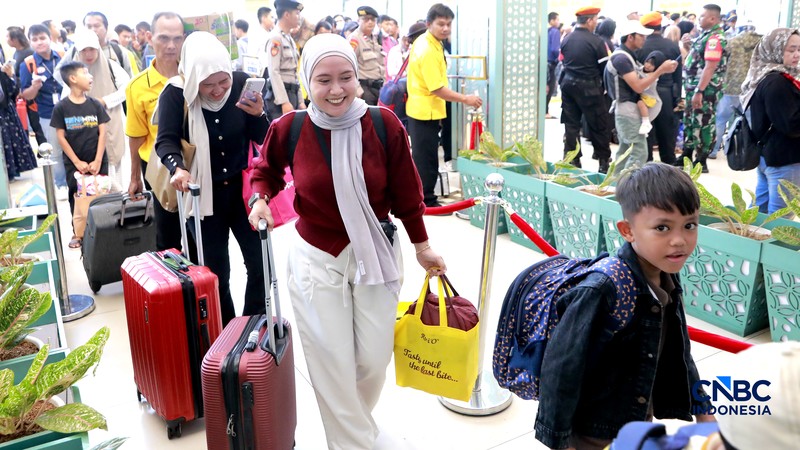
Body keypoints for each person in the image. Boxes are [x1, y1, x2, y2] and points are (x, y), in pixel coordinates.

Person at [248, 32, 446, 450]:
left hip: (374, 249)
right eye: (323, 80)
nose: (336, 90)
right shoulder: (290, 127)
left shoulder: (382, 123)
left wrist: (421, 243)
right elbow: (264, 170)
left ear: (358, 78)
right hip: (314, 257)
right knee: (330, 361)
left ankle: (356, 427)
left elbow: (408, 191)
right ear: (307, 81)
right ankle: (354, 443)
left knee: (373, 359)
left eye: (345, 78)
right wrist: (260, 199)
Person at [534, 162, 713, 450]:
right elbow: (561, 369)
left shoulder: (665, 275)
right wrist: (559, 442)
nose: (679, 240)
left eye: (690, 225)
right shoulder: (603, 288)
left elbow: (678, 350)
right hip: (595, 430)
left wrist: (704, 411)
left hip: (636, 416)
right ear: (627, 230)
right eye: (662, 228)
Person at [154, 31, 268, 326]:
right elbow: (165, 141)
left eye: (223, 82)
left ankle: (254, 324)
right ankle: (227, 330)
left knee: (261, 264)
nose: (218, 91)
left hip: (242, 195)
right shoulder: (176, 93)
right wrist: (177, 168)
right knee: (216, 272)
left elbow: (264, 138)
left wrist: (258, 115)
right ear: (193, 77)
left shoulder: (242, 83)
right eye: (207, 85)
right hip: (202, 197)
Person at [126, 12, 193, 254]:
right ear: (149, 37)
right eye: (164, 38)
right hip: (159, 168)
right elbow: (136, 135)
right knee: (168, 236)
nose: (171, 45)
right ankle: (173, 287)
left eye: (177, 38)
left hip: (195, 165)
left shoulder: (194, 76)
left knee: (199, 233)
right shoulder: (137, 86)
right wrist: (135, 177)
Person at [406, 3, 482, 208]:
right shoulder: (427, 48)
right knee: (426, 159)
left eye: (449, 24)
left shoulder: (431, 42)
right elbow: (436, 88)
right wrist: (466, 99)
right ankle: (427, 201)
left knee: (425, 156)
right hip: (424, 111)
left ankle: (422, 197)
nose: (446, 28)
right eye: (441, 24)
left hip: (426, 109)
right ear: (429, 23)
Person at [50, 61, 110, 248]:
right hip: (74, 164)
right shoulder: (61, 108)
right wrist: (76, 162)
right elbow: (61, 136)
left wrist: (98, 159)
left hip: (98, 160)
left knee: (101, 192)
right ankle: (79, 232)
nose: (90, 76)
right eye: (85, 73)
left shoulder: (95, 105)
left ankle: (105, 228)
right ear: (73, 79)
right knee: (76, 196)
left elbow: (103, 132)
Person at [741, 28, 800, 215]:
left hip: (770, 157)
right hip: (784, 160)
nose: (797, 55)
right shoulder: (777, 82)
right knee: (778, 220)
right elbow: (790, 125)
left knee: (759, 214)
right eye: (791, 50)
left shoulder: (765, 75)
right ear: (774, 49)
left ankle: (749, 245)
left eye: (799, 49)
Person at [60, 30, 130, 189]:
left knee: (118, 169)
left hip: (113, 123)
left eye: (92, 49)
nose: (88, 54)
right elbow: (65, 100)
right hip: (84, 130)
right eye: (84, 50)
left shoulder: (111, 66)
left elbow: (127, 88)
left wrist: (105, 101)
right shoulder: (72, 72)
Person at [608, 21, 678, 173]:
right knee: (639, 152)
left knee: (625, 152)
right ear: (630, 37)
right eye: (641, 36)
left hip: (627, 110)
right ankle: (626, 189)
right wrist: (660, 70)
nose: (644, 39)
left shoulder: (626, 56)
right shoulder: (622, 59)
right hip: (628, 110)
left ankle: (614, 186)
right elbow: (638, 86)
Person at [558, 6, 612, 172]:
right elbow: (604, 69)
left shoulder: (567, 38)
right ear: (589, 20)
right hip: (589, 88)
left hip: (568, 86)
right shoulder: (596, 41)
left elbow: (563, 61)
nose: (596, 23)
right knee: (598, 125)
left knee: (571, 124)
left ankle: (573, 160)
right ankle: (603, 162)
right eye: (595, 19)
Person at [19, 24, 68, 198]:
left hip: (70, 109)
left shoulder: (62, 56)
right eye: (35, 39)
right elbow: (25, 94)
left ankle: (75, 180)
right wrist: (35, 87)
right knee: (54, 150)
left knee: (75, 145)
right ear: (30, 42)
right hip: (47, 113)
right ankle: (61, 184)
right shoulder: (28, 64)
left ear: (50, 38)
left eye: (42, 38)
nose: (39, 42)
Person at [679, 4, 729, 173]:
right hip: (694, 88)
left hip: (705, 91)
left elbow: (710, 67)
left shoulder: (715, 39)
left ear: (712, 18)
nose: (699, 19)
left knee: (703, 123)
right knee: (691, 121)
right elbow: (698, 61)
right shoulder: (705, 36)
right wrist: (687, 47)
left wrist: (699, 91)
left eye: (702, 16)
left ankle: (701, 160)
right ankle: (686, 154)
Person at [708, 24, 761, 159]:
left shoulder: (732, 42)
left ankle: (713, 151)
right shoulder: (761, 44)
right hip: (751, 89)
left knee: (720, 121)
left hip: (729, 87)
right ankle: (749, 153)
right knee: (751, 122)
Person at [637, 11, 682, 164]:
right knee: (666, 132)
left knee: (645, 130)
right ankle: (669, 164)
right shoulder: (672, 46)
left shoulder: (640, 46)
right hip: (665, 93)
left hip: (644, 93)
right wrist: (677, 99)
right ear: (660, 27)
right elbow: (678, 74)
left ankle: (646, 163)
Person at [262, 0, 306, 121]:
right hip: (280, 97)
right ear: (286, 15)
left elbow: (294, 73)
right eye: (296, 13)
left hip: (292, 94)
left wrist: (300, 100)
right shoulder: (276, 38)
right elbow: (273, 71)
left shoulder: (288, 39)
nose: (299, 17)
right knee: (282, 136)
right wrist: (284, 102)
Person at [0, 59, 37, 180]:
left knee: (9, 141)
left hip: (5, 112)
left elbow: (13, 92)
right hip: (5, 112)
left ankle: (12, 171)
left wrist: (10, 75)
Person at [82, 12, 138, 78]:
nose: (93, 30)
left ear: (106, 28)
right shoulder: (74, 52)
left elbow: (130, 81)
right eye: (89, 26)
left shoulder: (119, 52)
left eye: (97, 26)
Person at [350, 6, 385, 105]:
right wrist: (358, 90)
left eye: (373, 20)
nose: (370, 22)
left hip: (378, 88)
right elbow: (349, 66)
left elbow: (380, 63)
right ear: (358, 20)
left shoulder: (374, 38)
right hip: (365, 89)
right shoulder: (354, 39)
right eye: (366, 19)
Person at [546, 12, 561, 119]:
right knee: (550, 88)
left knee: (545, 87)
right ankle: (546, 112)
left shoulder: (547, 31)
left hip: (545, 62)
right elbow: (555, 49)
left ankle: (544, 110)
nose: (558, 22)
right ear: (551, 20)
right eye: (557, 19)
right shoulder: (555, 32)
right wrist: (559, 58)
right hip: (552, 63)